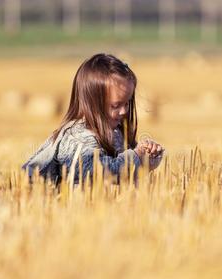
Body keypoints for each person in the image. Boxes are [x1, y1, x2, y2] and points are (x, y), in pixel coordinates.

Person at [22, 53, 164, 185]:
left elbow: (120, 177)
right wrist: (136, 157)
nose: (124, 110)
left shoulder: (115, 133)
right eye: (116, 105)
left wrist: (146, 161)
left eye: (127, 103)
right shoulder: (77, 136)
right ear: (93, 103)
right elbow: (97, 173)